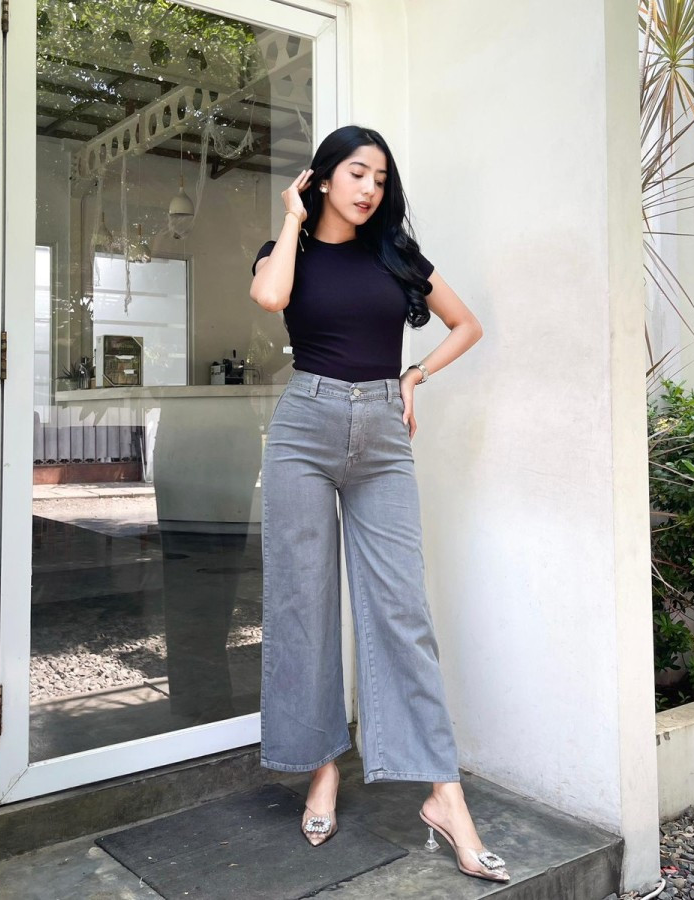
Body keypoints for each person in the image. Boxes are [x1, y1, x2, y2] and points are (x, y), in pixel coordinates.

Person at [249, 125, 509, 884]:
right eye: (357, 173)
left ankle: (444, 796)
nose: (369, 188)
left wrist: (414, 376)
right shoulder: (286, 250)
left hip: (383, 434)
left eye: (380, 178)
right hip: (303, 428)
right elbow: (270, 296)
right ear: (324, 177)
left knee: (401, 610)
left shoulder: (395, 254)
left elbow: (467, 324)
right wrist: (292, 218)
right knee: (303, 602)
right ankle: (323, 766)